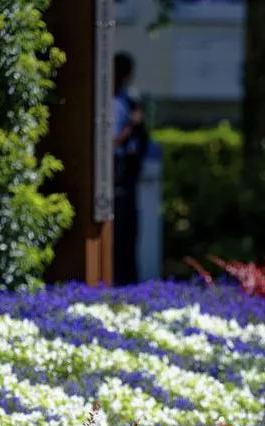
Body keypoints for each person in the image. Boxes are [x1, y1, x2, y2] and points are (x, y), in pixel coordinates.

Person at [113, 52, 148, 287]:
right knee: (117, 229)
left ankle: (129, 281)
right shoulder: (113, 102)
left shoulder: (128, 99)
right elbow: (112, 140)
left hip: (128, 171)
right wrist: (131, 125)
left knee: (129, 230)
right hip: (115, 170)